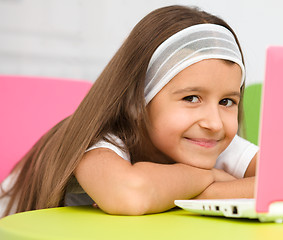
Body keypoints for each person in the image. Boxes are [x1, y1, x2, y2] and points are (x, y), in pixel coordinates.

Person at [0, 5, 258, 217]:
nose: (214, 123)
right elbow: (128, 194)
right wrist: (211, 177)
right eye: (191, 98)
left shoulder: (205, 140)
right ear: (137, 102)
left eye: (226, 102)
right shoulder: (101, 139)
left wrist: (206, 193)